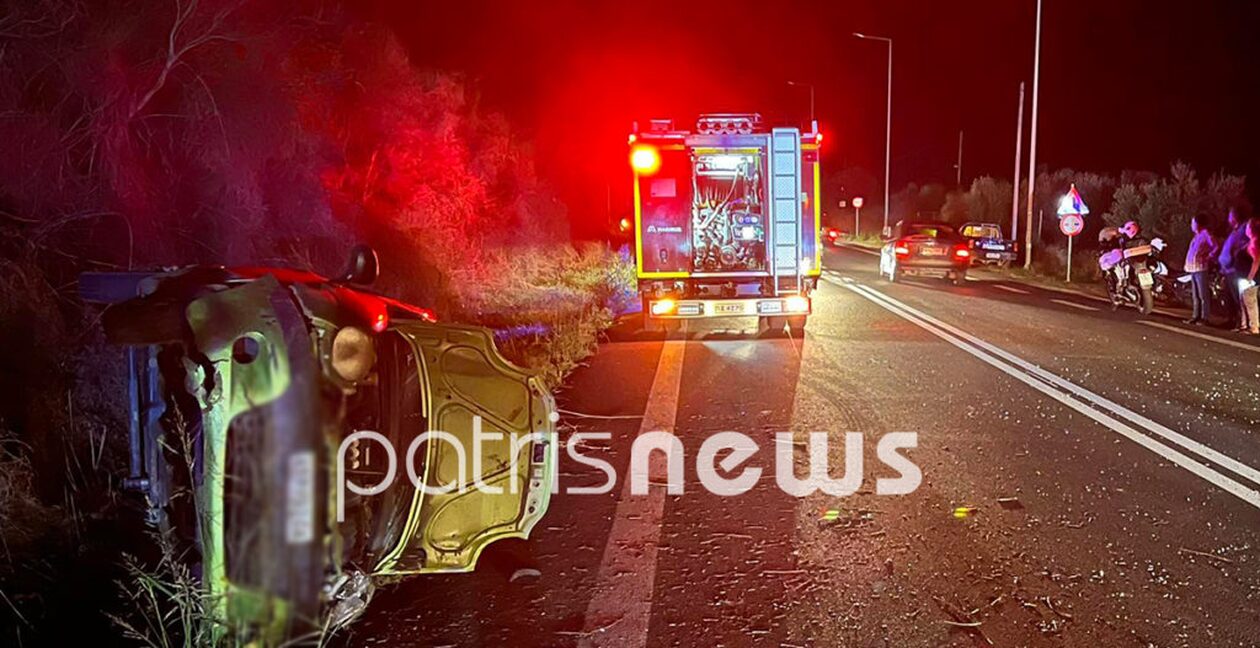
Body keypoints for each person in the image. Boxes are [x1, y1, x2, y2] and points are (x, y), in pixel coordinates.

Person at [1217, 208, 1251, 330]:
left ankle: (1241, 322)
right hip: (1227, 269)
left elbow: (1247, 243)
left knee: (1238, 297)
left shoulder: (1243, 229)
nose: (1229, 219)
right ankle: (1231, 320)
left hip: (1235, 269)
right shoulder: (1234, 231)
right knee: (1229, 297)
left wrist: (1236, 252)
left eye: (1231, 216)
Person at [1183, 215, 1218, 325]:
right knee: (1195, 295)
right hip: (1193, 269)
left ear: (1198, 224)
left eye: (1193, 223)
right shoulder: (1196, 236)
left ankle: (1205, 317)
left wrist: (1209, 256)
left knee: (1203, 294)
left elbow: (1215, 246)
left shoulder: (1206, 234)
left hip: (1200, 268)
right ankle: (1195, 316)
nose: (1192, 226)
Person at [1242, 219, 1259, 335]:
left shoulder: (1255, 242)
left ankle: (1254, 327)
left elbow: (1257, 260)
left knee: (1250, 300)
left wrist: (1250, 276)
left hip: (1254, 278)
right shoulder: (1252, 241)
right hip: (1254, 277)